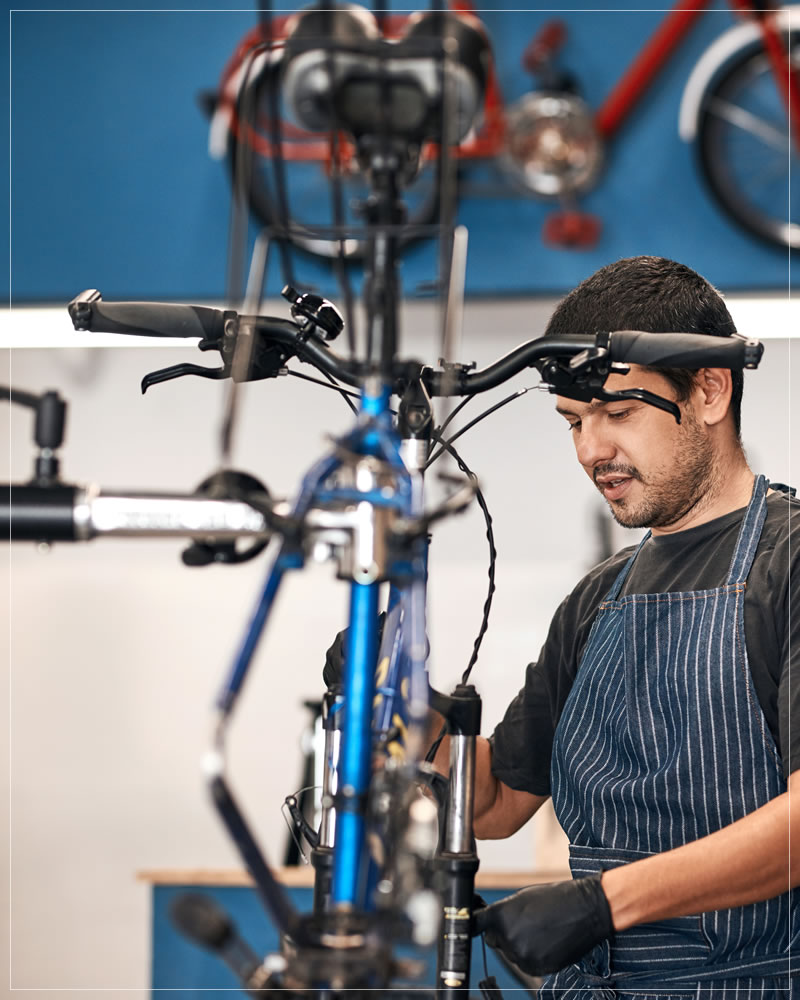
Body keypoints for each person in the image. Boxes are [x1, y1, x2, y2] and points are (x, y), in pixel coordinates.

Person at [458, 256, 799, 997]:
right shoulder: (597, 601)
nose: (590, 451)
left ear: (710, 391)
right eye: (574, 422)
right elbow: (491, 806)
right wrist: (396, 697)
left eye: (617, 414)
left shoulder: (789, 564)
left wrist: (602, 903)